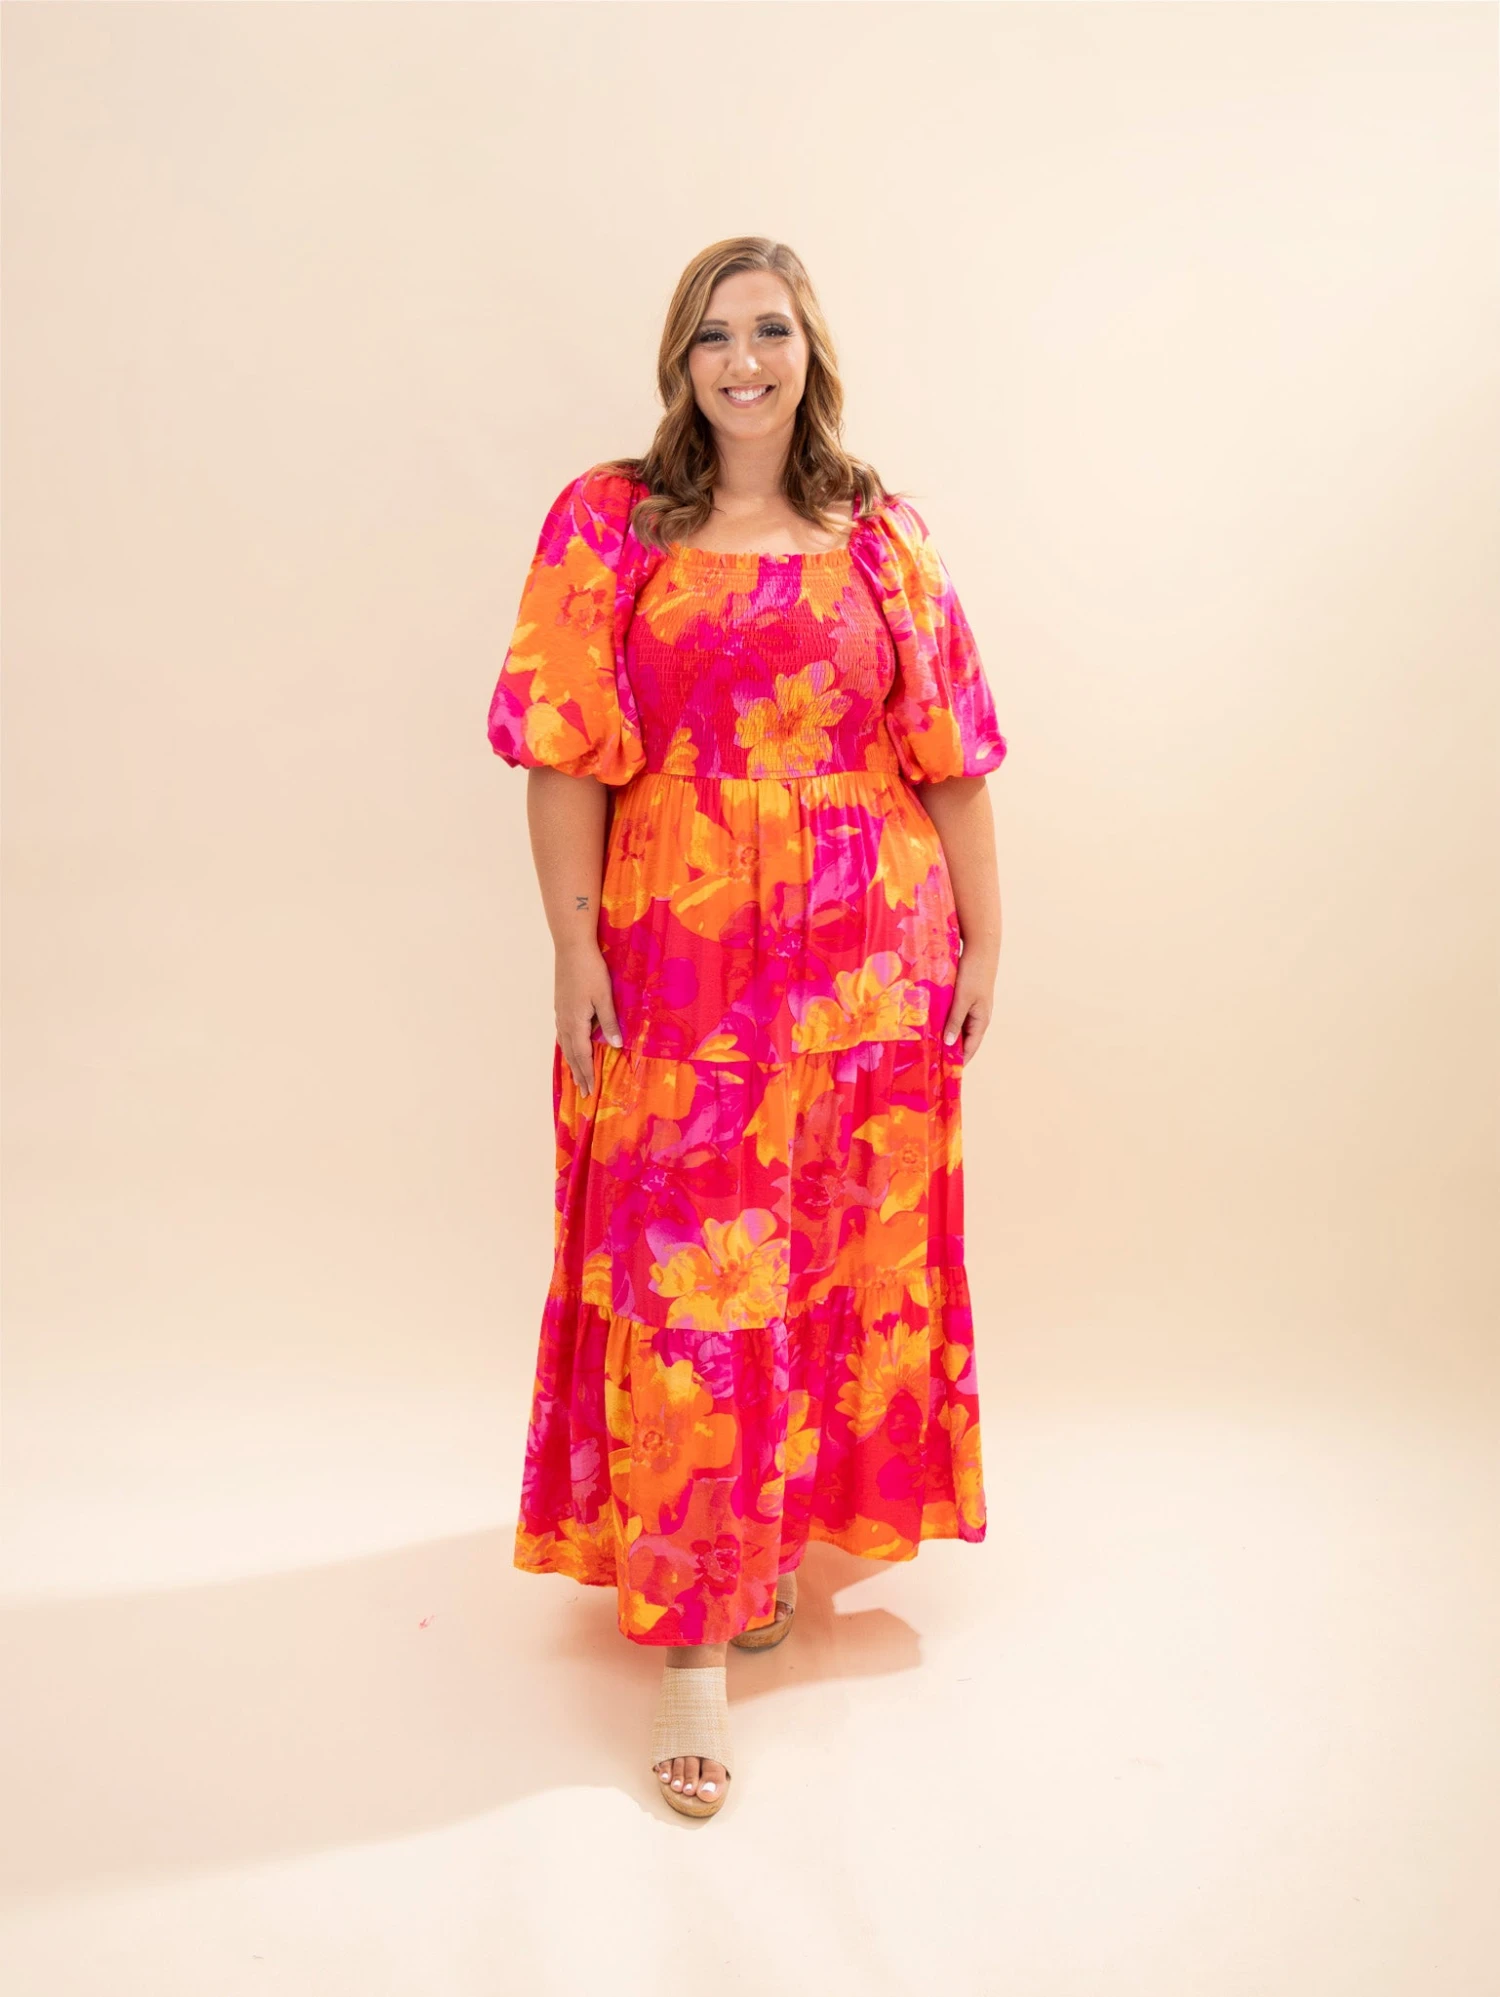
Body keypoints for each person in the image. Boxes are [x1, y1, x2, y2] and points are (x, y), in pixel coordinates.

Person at [486, 236, 1008, 1819]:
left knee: (826, 1267)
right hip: (679, 960)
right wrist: (572, 949)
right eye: (714, 336)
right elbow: (563, 754)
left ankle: (761, 1543)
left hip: (867, 963)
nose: (744, 361)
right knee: (687, 1290)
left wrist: (987, 935)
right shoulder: (610, 524)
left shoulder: (881, 535)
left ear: (810, 354)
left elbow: (950, 754)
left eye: (770, 330)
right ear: (681, 362)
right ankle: (692, 1653)